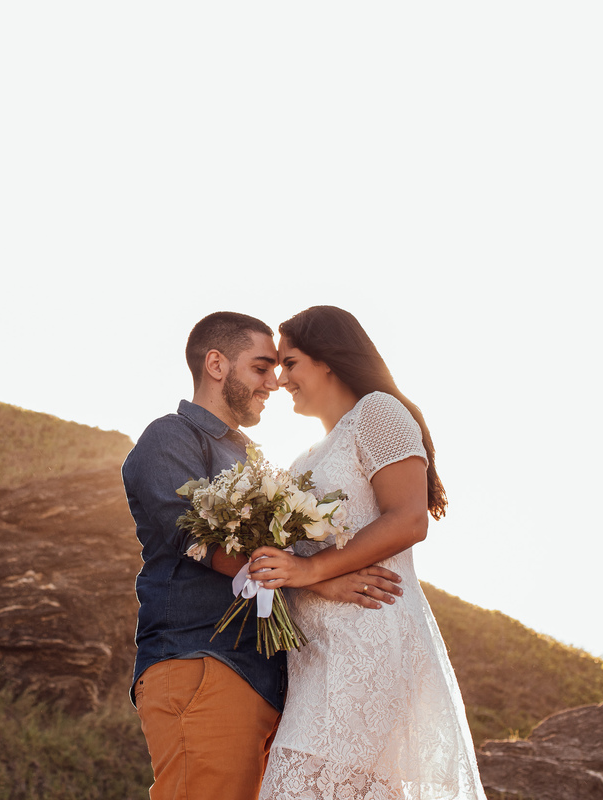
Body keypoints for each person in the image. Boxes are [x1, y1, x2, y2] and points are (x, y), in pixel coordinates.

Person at [122, 311, 404, 800]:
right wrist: (315, 579)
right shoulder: (171, 437)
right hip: (203, 660)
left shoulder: (250, 457)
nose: (274, 381)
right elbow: (201, 542)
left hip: (263, 677)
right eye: (260, 367)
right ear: (216, 364)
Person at [248, 306, 485, 800]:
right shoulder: (304, 458)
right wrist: (300, 573)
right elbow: (287, 568)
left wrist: (310, 568)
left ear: (328, 360)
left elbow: (408, 518)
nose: (280, 378)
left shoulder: (378, 412)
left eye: (289, 363)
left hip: (366, 640)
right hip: (313, 658)